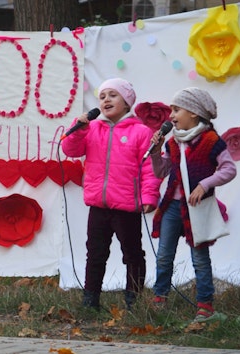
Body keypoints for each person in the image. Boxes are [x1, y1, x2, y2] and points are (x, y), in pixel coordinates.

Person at [61, 78, 161, 310]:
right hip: (98, 205)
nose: (106, 100)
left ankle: (133, 300)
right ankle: (90, 299)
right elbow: (70, 149)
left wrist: (149, 197)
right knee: (95, 253)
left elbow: (150, 170)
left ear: (127, 103)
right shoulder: (92, 128)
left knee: (132, 253)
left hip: (127, 206)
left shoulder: (141, 132)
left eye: (112, 95)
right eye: (102, 96)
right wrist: (78, 130)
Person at [149, 87, 236, 322]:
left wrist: (205, 184)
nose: (171, 116)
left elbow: (229, 169)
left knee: (199, 257)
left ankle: (205, 305)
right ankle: (160, 298)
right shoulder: (174, 141)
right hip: (172, 207)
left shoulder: (211, 140)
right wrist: (157, 153)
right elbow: (161, 171)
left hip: (196, 208)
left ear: (195, 113)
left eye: (177, 110)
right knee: (164, 255)